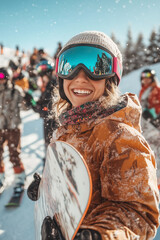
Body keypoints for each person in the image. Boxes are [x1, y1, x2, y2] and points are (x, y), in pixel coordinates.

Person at [28, 31, 159, 239]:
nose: (80, 77)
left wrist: (96, 235)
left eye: (97, 66)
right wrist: (48, 187)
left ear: (111, 79)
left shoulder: (121, 136)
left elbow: (139, 215)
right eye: (69, 66)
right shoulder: (66, 127)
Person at [25, 59, 58, 162]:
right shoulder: (48, 87)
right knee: (49, 151)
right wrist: (32, 102)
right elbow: (41, 105)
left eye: (41, 76)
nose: (40, 79)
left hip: (53, 126)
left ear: (46, 74)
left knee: (53, 155)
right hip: (49, 125)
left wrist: (34, 104)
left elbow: (47, 111)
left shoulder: (53, 87)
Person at [0, 67, 26, 191]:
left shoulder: (16, 91)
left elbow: (26, 105)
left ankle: (20, 178)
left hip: (13, 128)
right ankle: (1, 177)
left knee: (14, 154)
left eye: (1, 77)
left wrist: (30, 100)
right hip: (0, 127)